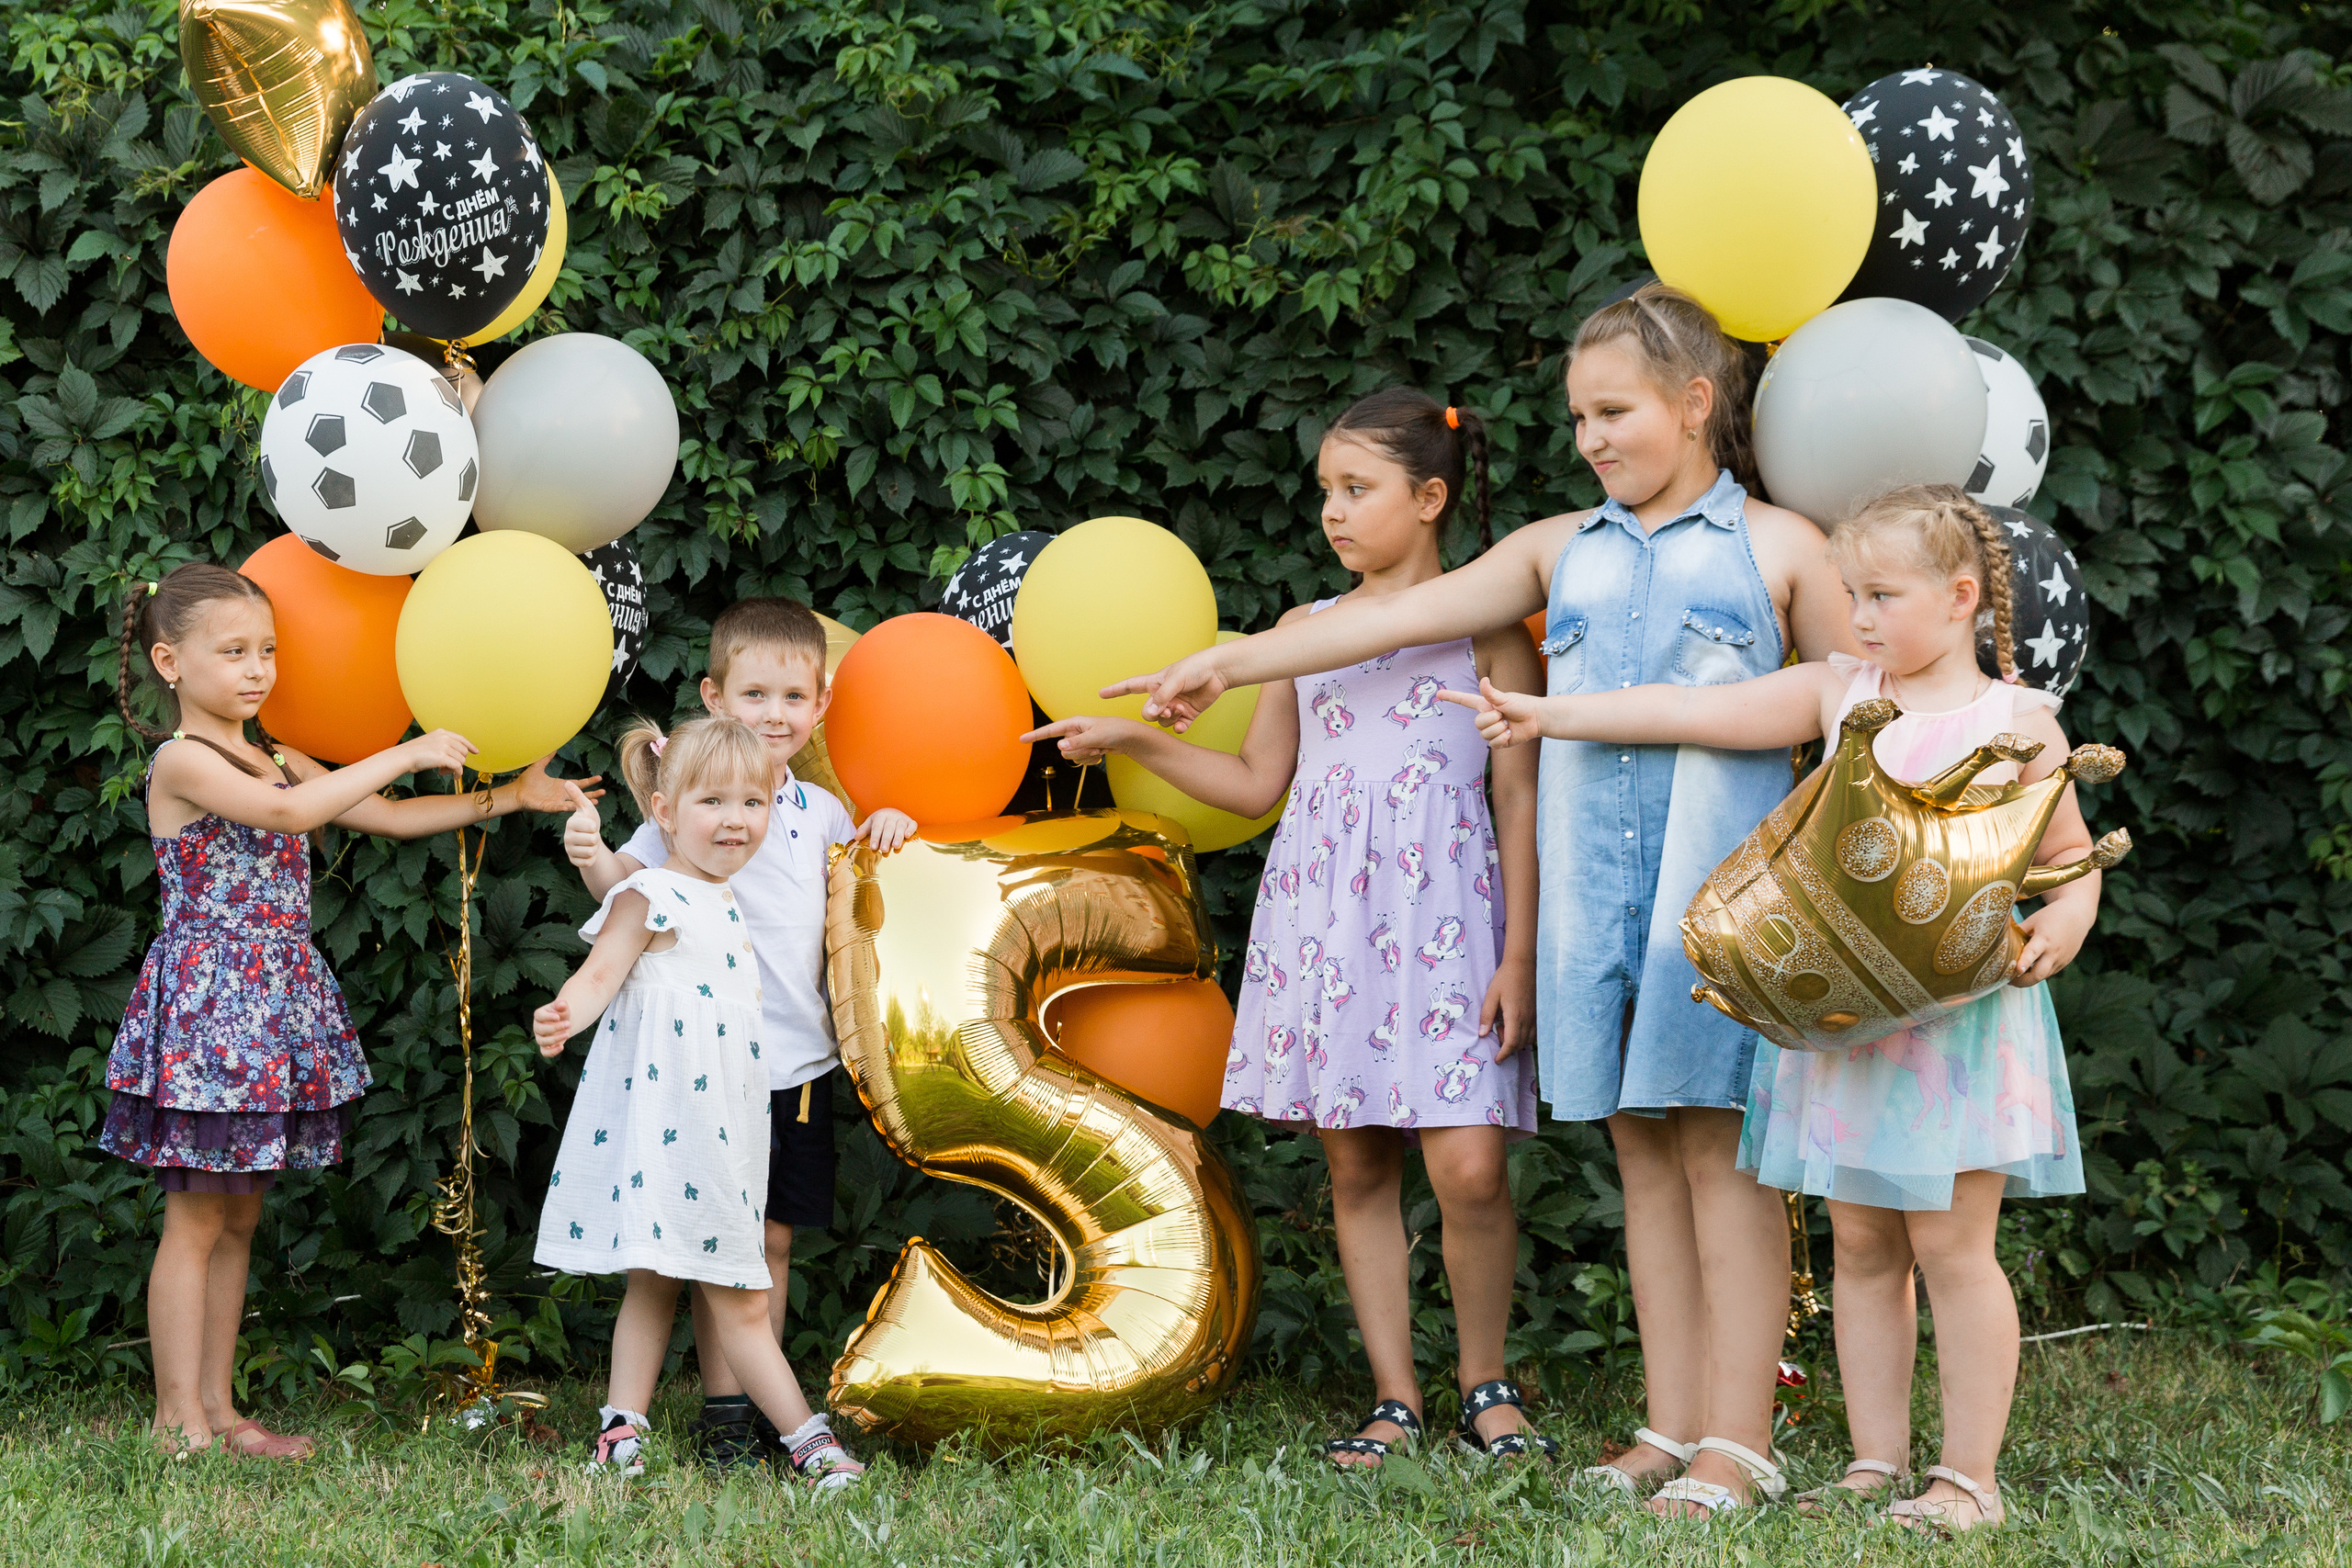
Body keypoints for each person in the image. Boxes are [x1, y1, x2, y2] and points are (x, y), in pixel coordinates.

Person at [1107, 287, 1855, 1513]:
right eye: (1577, 417)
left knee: (1724, 1158)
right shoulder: (1558, 551)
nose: (1591, 438)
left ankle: (1739, 1436)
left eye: (1613, 411)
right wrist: (1226, 659)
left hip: (1722, 898)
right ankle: (1670, 1424)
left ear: (1695, 401)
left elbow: (1850, 711)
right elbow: (1401, 615)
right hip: (1596, 909)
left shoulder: (1782, 546)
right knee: (1642, 1158)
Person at [1447, 482, 2100, 1530]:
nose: (1861, 617)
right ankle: (1875, 1460)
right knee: (1861, 1245)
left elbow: (2068, 858)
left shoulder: (2017, 724)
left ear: (1961, 596)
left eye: (1881, 595)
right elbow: (1688, 709)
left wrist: (2067, 916)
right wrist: (1549, 712)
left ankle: (1967, 1477)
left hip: (1955, 1034)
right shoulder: (1839, 694)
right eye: (1851, 595)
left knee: (1948, 1248)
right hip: (1843, 1030)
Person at [1025, 388, 1548, 1465]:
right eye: (1326, 492)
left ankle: (1485, 1383)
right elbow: (1258, 782)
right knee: (1356, 1169)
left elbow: (1519, 795)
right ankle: (1394, 1396)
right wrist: (1136, 738)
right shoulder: (1300, 636)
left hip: (1448, 927)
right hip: (1333, 931)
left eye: (1358, 490)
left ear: (1431, 497)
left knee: (1469, 1171)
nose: (1333, 513)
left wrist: (1520, 954)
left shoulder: (1486, 626)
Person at [103, 562, 591, 1457]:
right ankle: (177, 1420)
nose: (258, 669)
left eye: (268, 651)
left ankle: (220, 1409)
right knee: (196, 1213)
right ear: (169, 661)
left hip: (271, 1003)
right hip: (212, 1008)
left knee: (240, 1211)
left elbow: (389, 821)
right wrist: (408, 749)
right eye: (234, 652)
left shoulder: (278, 750)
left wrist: (507, 797)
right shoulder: (183, 760)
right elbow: (287, 817)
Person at [563, 598, 913, 1468]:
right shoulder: (689, 803)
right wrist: (592, 858)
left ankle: (734, 1412)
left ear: (821, 706)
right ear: (716, 696)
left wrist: (885, 828)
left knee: (765, 1244)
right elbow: (630, 894)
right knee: (677, 1250)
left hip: (792, 1066)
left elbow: (862, 888)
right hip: (698, 1070)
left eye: (794, 698)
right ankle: (643, 1418)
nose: (775, 714)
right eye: (755, 694)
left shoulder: (823, 812)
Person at [535, 714, 865, 1490]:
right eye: (712, 802)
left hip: (727, 1127)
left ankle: (625, 1425)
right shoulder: (650, 892)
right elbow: (600, 972)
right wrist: (564, 1012)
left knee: (678, 1280)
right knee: (728, 1292)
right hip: (670, 1130)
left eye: (752, 803)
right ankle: (805, 1441)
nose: (734, 821)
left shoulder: (726, 901)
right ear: (664, 812)